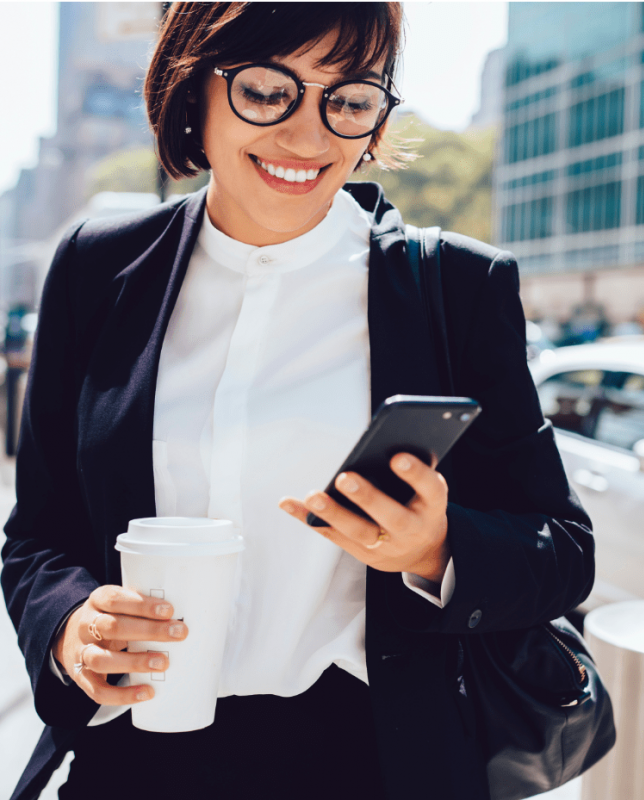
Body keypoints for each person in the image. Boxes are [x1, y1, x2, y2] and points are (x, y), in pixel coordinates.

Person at [1, 3, 595, 799]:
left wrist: (435, 549)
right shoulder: (96, 271)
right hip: (131, 756)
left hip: (369, 760)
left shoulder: (457, 289)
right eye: (266, 89)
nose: (309, 138)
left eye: (347, 99)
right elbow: (37, 536)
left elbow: (563, 549)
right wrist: (73, 628)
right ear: (192, 88)